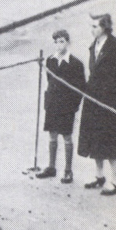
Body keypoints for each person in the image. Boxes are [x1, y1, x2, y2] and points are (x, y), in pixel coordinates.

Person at [77, 13, 116, 195]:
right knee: (95, 137)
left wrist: (114, 97)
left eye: (95, 27)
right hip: (93, 99)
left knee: (111, 140)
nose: (92, 30)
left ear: (105, 27)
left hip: (110, 101)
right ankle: (99, 176)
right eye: (91, 26)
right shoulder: (94, 46)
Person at [36, 30, 85, 184]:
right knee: (52, 135)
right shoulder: (50, 60)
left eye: (62, 41)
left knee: (67, 136)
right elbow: (50, 80)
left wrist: (73, 106)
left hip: (66, 107)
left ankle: (68, 171)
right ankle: (51, 167)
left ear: (68, 43)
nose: (59, 45)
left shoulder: (76, 64)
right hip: (52, 104)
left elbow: (80, 88)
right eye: (56, 42)